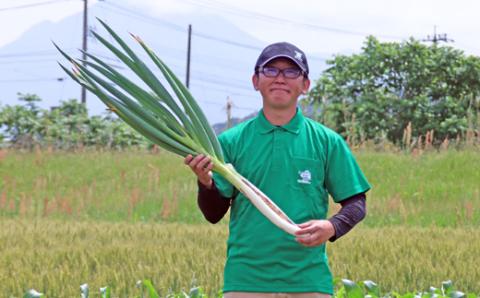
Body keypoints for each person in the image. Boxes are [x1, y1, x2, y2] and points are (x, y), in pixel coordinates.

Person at [184, 42, 371, 298]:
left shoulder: (327, 142)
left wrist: (332, 226)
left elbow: (356, 203)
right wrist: (205, 182)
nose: (280, 78)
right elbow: (214, 213)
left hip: (309, 282)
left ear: (305, 85)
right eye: (271, 70)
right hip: (245, 282)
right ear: (255, 80)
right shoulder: (230, 142)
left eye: (291, 72)